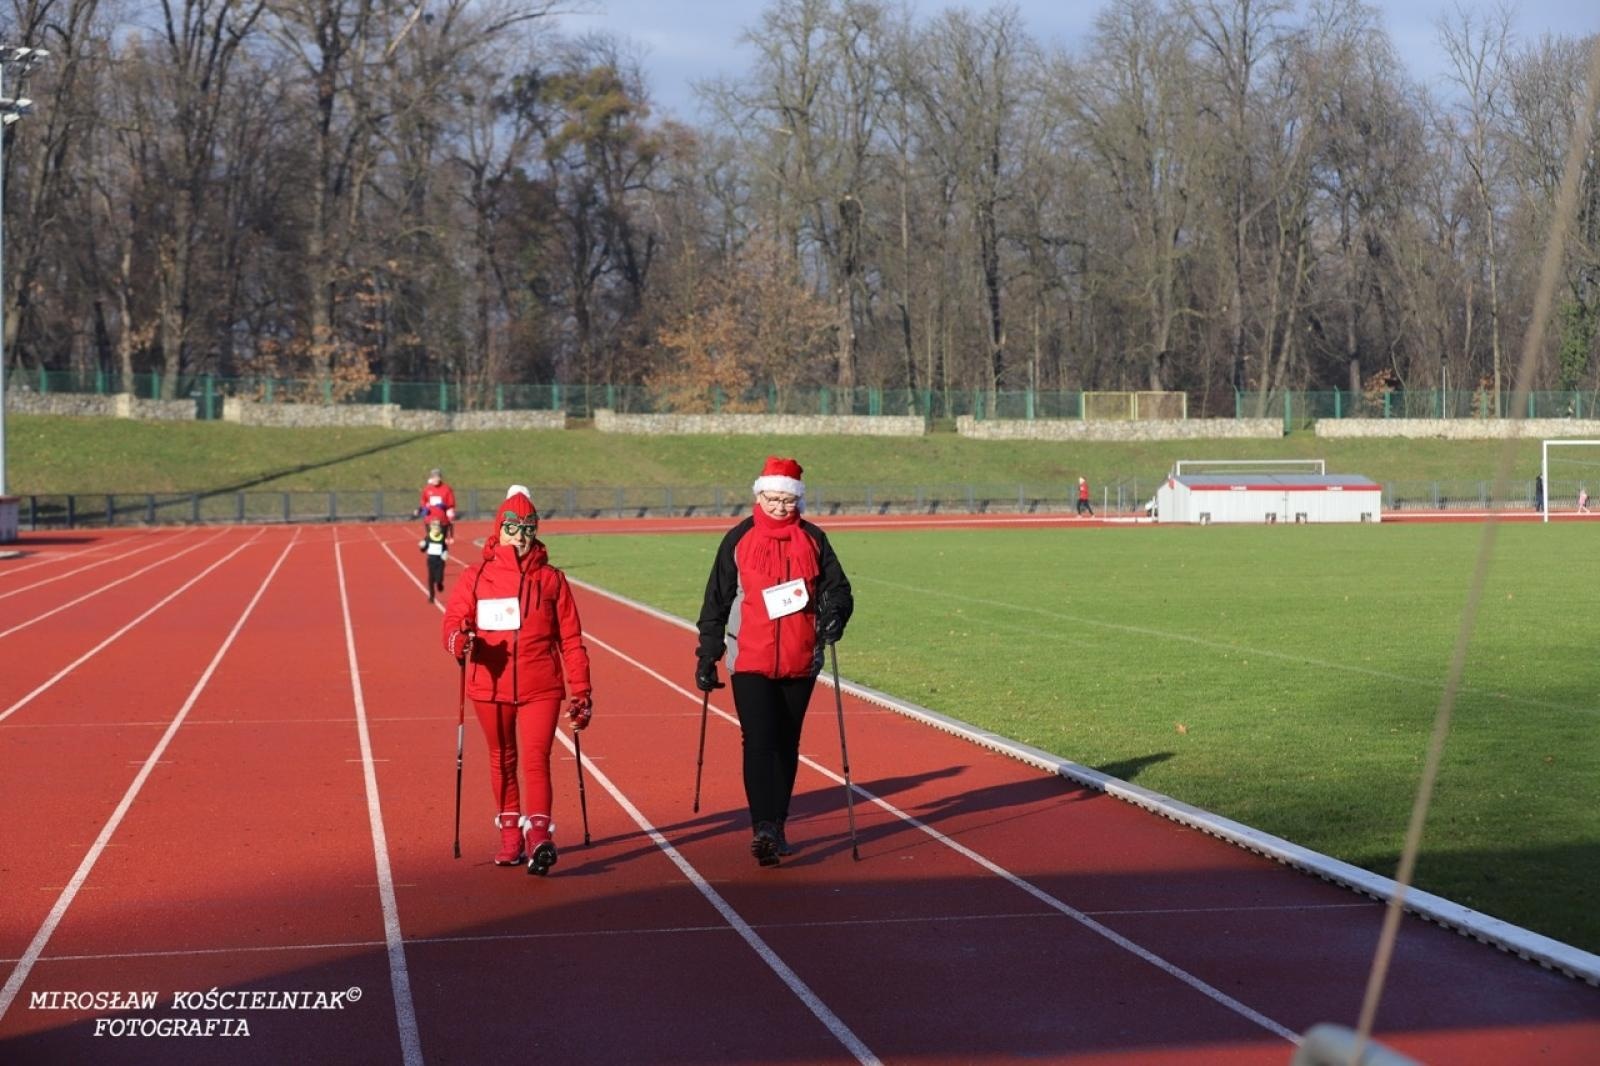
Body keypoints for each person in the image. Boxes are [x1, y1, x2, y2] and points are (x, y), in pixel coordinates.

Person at [695, 456, 853, 868]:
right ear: (759, 496)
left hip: (801, 657)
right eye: (773, 499)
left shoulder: (814, 539)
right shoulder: (739, 538)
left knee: (787, 743)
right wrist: (708, 653)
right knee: (759, 740)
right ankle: (763, 826)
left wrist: (836, 615)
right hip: (750, 656)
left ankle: (778, 824)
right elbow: (716, 600)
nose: (781, 507)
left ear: (798, 500)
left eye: (788, 500)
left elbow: (839, 589)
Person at [441, 485, 592, 876]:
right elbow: (453, 621)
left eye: (528, 529)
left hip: (541, 685)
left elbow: (571, 639)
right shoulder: (476, 576)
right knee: (502, 759)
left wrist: (582, 691)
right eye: (512, 529)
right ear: (499, 529)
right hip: (489, 686)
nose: (520, 537)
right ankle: (510, 834)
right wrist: (459, 640)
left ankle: (539, 837)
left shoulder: (552, 580)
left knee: (537, 759)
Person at [418, 508, 449, 602]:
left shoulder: (442, 537)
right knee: (431, 579)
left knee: (439, 578)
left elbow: (445, 548)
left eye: (438, 525)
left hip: (440, 561)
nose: (436, 527)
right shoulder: (428, 537)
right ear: (431, 527)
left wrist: (445, 553)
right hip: (431, 561)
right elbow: (423, 549)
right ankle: (431, 596)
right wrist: (422, 546)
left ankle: (439, 584)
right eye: (434, 525)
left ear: (440, 528)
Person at [418, 468, 457, 538]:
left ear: (440, 478)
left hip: (443, 520)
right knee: (430, 540)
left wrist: (445, 506)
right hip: (430, 520)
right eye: (433, 477)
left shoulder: (447, 489)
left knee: (441, 541)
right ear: (431, 478)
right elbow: (423, 501)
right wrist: (424, 508)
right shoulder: (427, 489)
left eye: (437, 477)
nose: (435, 479)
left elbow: (451, 503)